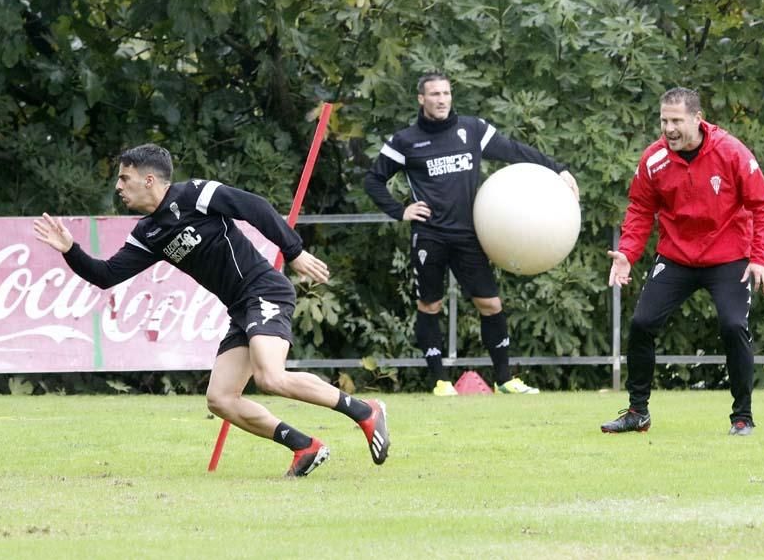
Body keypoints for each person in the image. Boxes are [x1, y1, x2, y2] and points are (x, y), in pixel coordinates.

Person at [34, 144, 390, 477]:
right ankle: (305, 447)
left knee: (270, 377)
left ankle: (364, 410)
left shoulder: (195, 195)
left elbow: (256, 208)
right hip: (241, 308)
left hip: (264, 291)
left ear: (149, 180)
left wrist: (293, 251)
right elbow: (105, 275)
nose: (118, 187)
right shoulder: (149, 232)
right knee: (220, 399)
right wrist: (70, 249)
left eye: (124, 178)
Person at [365, 72, 579, 396]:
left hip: (470, 236)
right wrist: (400, 210)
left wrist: (558, 168)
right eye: (434, 94)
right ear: (421, 99)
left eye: (446, 93)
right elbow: (372, 181)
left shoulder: (472, 130)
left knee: (491, 304)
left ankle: (505, 379)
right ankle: (440, 381)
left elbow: (514, 151)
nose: (441, 99)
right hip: (430, 237)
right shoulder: (405, 141)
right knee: (430, 306)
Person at [601, 87, 764, 436]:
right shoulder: (654, 159)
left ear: (697, 119)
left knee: (732, 326)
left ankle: (742, 416)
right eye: (664, 120)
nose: (668, 128)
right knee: (642, 323)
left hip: (728, 257)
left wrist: (760, 258)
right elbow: (640, 209)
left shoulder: (731, 152)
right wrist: (627, 253)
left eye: (676, 120)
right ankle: (638, 412)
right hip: (677, 256)